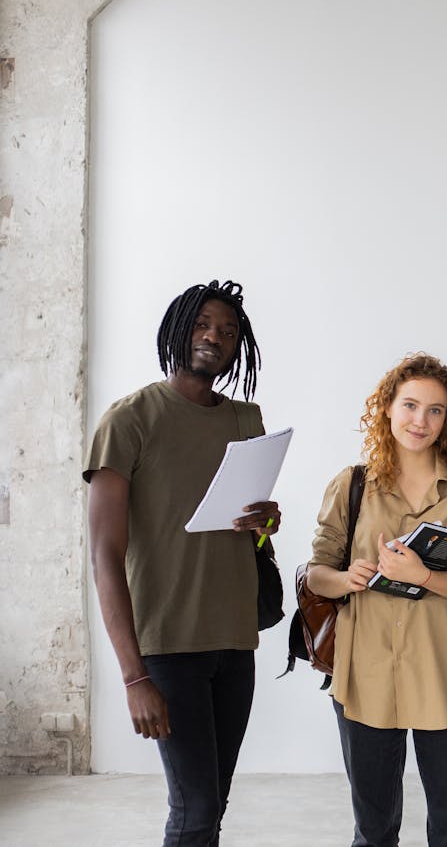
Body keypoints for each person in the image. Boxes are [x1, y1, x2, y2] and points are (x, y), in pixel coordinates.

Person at [85, 280, 281, 846]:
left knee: (209, 806)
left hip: (234, 639)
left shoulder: (247, 419)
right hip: (167, 647)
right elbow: (104, 555)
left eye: (227, 330)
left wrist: (265, 522)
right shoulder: (130, 420)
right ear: (177, 329)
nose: (213, 337)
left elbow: (253, 536)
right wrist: (133, 676)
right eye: (201, 324)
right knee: (193, 811)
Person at [305, 353, 447, 847]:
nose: (421, 421)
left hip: (444, 671)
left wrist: (422, 576)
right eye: (410, 405)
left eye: (435, 410)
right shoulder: (350, 484)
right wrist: (348, 577)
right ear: (387, 408)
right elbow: (316, 574)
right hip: (365, 675)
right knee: (372, 831)